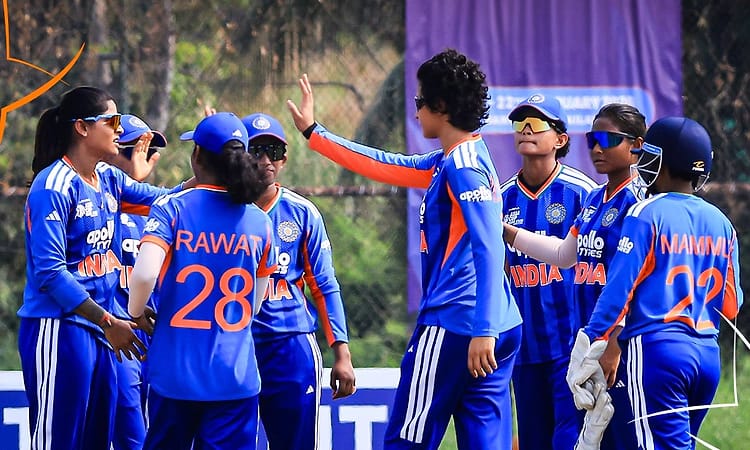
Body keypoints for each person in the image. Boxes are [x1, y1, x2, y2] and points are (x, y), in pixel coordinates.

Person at [287, 49, 523, 449]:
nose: (415, 111)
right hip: (497, 324)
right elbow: (386, 164)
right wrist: (315, 133)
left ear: (441, 106)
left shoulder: (462, 166)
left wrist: (483, 330)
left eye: (420, 101)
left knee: (406, 440)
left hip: (456, 324)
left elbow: (488, 246)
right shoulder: (458, 157)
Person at [17, 86, 189, 449]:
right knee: (58, 440)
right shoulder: (53, 185)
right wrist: (109, 321)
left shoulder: (108, 178)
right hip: (61, 327)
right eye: (111, 120)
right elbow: (50, 273)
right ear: (81, 127)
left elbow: (164, 200)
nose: (118, 128)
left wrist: (211, 176)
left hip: (101, 328)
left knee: (95, 439)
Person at [566, 116, 743, 449]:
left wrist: (591, 338)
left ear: (662, 161)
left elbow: (619, 289)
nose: (643, 162)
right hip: (707, 355)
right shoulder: (722, 222)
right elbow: (732, 306)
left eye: (649, 155)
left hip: (657, 352)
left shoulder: (645, 212)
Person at [128, 112, 277, 450]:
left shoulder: (172, 208)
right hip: (234, 376)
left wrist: (135, 311)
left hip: (174, 375)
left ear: (197, 156)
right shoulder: (259, 221)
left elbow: (146, 273)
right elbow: (255, 303)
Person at [503, 103, 647, 449]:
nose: (597, 148)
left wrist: (616, 340)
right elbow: (563, 255)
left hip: (613, 345)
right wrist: (505, 231)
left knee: (614, 439)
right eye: (593, 140)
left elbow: (636, 278)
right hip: (582, 344)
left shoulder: (640, 201)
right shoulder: (596, 199)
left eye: (608, 140)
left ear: (636, 146)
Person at [241, 112, 356, 450]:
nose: (266, 160)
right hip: (235, 343)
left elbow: (324, 285)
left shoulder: (302, 213)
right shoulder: (223, 210)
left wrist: (342, 352)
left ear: (285, 159)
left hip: (289, 345)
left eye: (274, 151)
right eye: (256, 150)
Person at [499, 94, 597, 450]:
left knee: (569, 438)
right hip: (524, 348)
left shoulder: (583, 194)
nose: (526, 130)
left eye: (537, 123)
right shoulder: (500, 198)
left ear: (560, 139)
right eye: (520, 123)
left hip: (570, 345)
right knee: (532, 440)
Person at [106, 114, 168, 450]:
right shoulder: (102, 205)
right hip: (118, 332)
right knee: (131, 433)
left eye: (149, 150)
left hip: (158, 333)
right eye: (132, 150)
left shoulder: (160, 211)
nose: (141, 158)